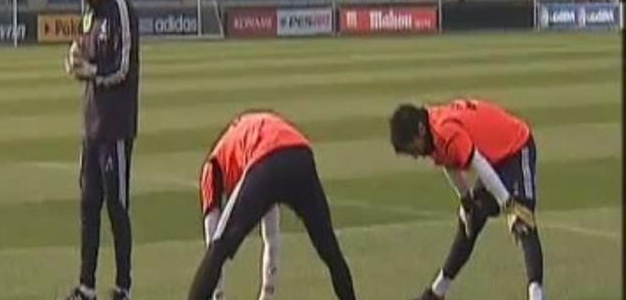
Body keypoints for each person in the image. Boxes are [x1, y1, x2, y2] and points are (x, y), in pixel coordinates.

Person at [188, 111, 357, 300]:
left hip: (267, 158)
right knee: (330, 249)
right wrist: (267, 293)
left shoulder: (212, 167)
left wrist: (217, 295)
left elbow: (214, 243)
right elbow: (271, 235)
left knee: (219, 249)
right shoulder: (244, 141)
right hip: (300, 153)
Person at [388, 99, 543, 300]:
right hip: (493, 158)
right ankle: (437, 293)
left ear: (420, 130)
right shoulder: (431, 133)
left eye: (412, 149)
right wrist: (466, 201)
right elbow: (449, 162)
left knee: (523, 222)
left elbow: (477, 162)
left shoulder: (444, 130)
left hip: (515, 146)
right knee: (470, 221)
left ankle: (536, 296)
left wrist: (509, 204)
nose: (416, 156)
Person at [64, 0, 140, 300]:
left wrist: (91, 71)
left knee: (116, 204)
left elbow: (123, 68)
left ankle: (123, 285)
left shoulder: (120, 9)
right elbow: (86, 48)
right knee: (88, 203)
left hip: (115, 126)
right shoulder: (91, 12)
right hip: (91, 125)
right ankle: (86, 286)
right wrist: (76, 56)